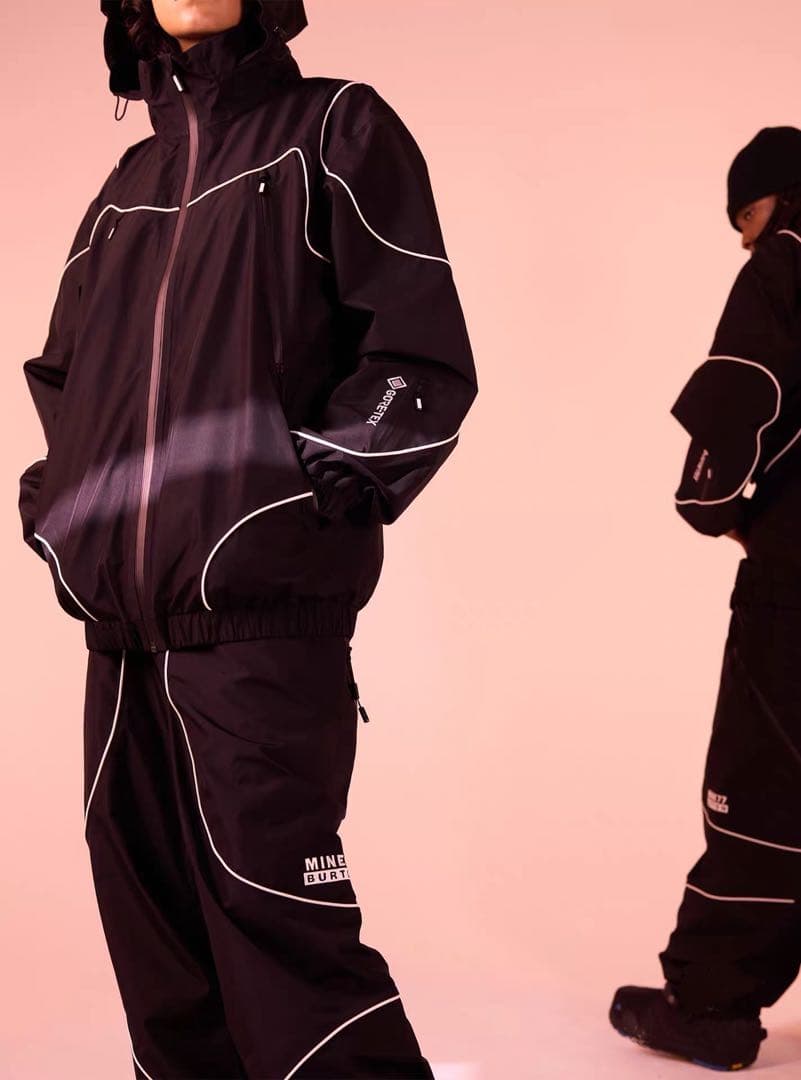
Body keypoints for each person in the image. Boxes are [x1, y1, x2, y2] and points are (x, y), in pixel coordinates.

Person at [16, 1, 478, 1076]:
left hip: (259, 626)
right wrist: (63, 514)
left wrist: (299, 498)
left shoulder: (336, 128)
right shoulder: (125, 187)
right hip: (120, 645)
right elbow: (63, 380)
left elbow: (417, 355)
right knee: (162, 959)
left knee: (285, 941)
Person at [609, 125, 801, 1072]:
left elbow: (742, 388)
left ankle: (712, 1005)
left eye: (744, 216)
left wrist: (712, 504)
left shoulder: (786, 264)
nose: (742, 239)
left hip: (796, 584)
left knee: (763, 786)